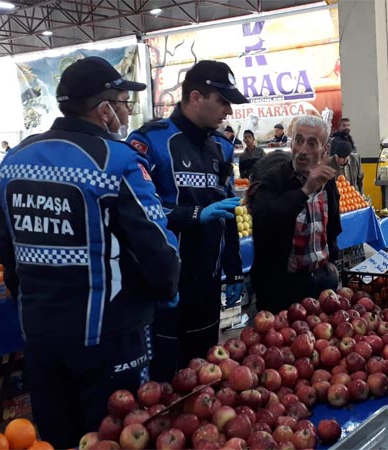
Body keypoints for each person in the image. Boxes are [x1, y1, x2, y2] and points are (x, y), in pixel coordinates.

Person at [0, 56, 180, 448]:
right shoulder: (118, 162)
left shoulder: (14, 162)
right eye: (124, 103)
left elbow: (5, 253)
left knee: (59, 437)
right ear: (105, 109)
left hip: (41, 337)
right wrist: (165, 291)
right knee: (116, 436)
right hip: (109, 339)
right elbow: (158, 251)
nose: (127, 112)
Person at [126, 60, 248, 381]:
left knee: (204, 374)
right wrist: (194, 216)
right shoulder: (149, 141)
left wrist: (233, 268)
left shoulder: (221, 147)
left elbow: (229, 208)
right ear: (195, 97)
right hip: (165, 285)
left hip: (208, 281)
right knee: (165, 379)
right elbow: (135, 212)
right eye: (222, 101)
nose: (228, 112)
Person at [250, 115, 341, 313]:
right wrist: (304, 191)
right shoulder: (274, 179)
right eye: (298, 140)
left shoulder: (328, 181)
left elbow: (333, 224)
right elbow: (264, 220)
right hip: (283, 286)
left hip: (321, 280)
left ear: (325, 149)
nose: (302, 150)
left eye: (311, 143)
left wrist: (332, 260)